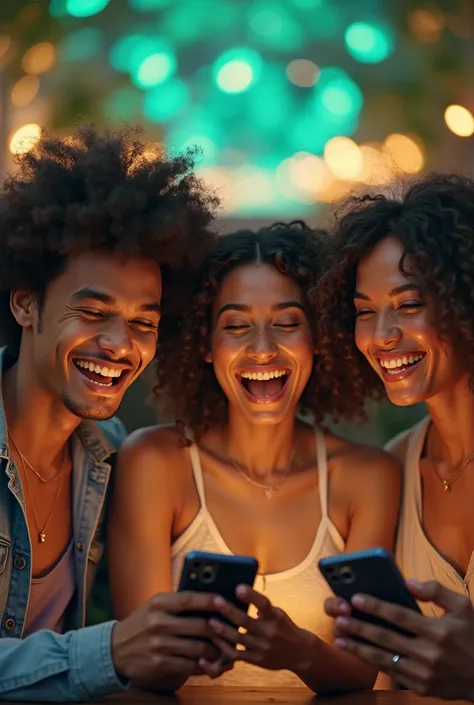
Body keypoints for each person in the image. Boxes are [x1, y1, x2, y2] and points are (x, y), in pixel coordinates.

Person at [108, 221, 401, 693]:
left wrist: (298, 652)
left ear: (318, 339)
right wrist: (198, 642)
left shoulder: (368, 477)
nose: (263, 349)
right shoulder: (155, 462)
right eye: (237, 326)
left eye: (287, 323)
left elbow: (363, 674)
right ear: (205, 344)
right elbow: (143, 670)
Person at [0, 124, 230, 701]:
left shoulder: (109, 451)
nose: (120, 344)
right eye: (93, 313)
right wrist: (111, 650)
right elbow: (102, 653)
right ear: (26, 303)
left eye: (143, 323)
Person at [321, 174, 474, 700]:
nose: (382, 335)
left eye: (409, 305)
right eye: (365, 312)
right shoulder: (396, 466)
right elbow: (389, 673)